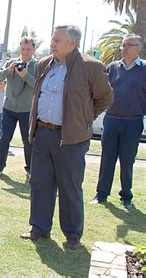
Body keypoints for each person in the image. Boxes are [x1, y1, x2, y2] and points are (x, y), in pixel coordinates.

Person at [20, 25, 113, 250]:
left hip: (71, 139)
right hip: (42, 133)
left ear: (72, 43)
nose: (52, 43)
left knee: (70, 187)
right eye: (52, 39)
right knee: (40, 183)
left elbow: (105, 98)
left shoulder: (91, 67)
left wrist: (83, 119)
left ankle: (72, 235)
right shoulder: (43, 64)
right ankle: (39, 228)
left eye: (57, 40)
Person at [91, 33, 146, 209]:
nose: (123, 48)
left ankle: (126, 197)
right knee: (107, 159)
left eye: (128, 45)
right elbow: (102, 91)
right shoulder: (113, 67)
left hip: (133, 122)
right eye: (123, 45)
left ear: (139, 48)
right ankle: (101, 194)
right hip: (112, 120)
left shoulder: (144, 69)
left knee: (127, 160)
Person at [0, 37, 37, 177]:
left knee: (27, 140)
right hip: (9, 108)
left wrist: (25, 75)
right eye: (23, 49)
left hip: (27, 110)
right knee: (4, 138)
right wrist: (8, 70)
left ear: (34, 49)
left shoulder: (38, 65)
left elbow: (38, 86)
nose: (25, 52)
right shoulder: (12, 62)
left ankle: (30, 169)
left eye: (28, 49)